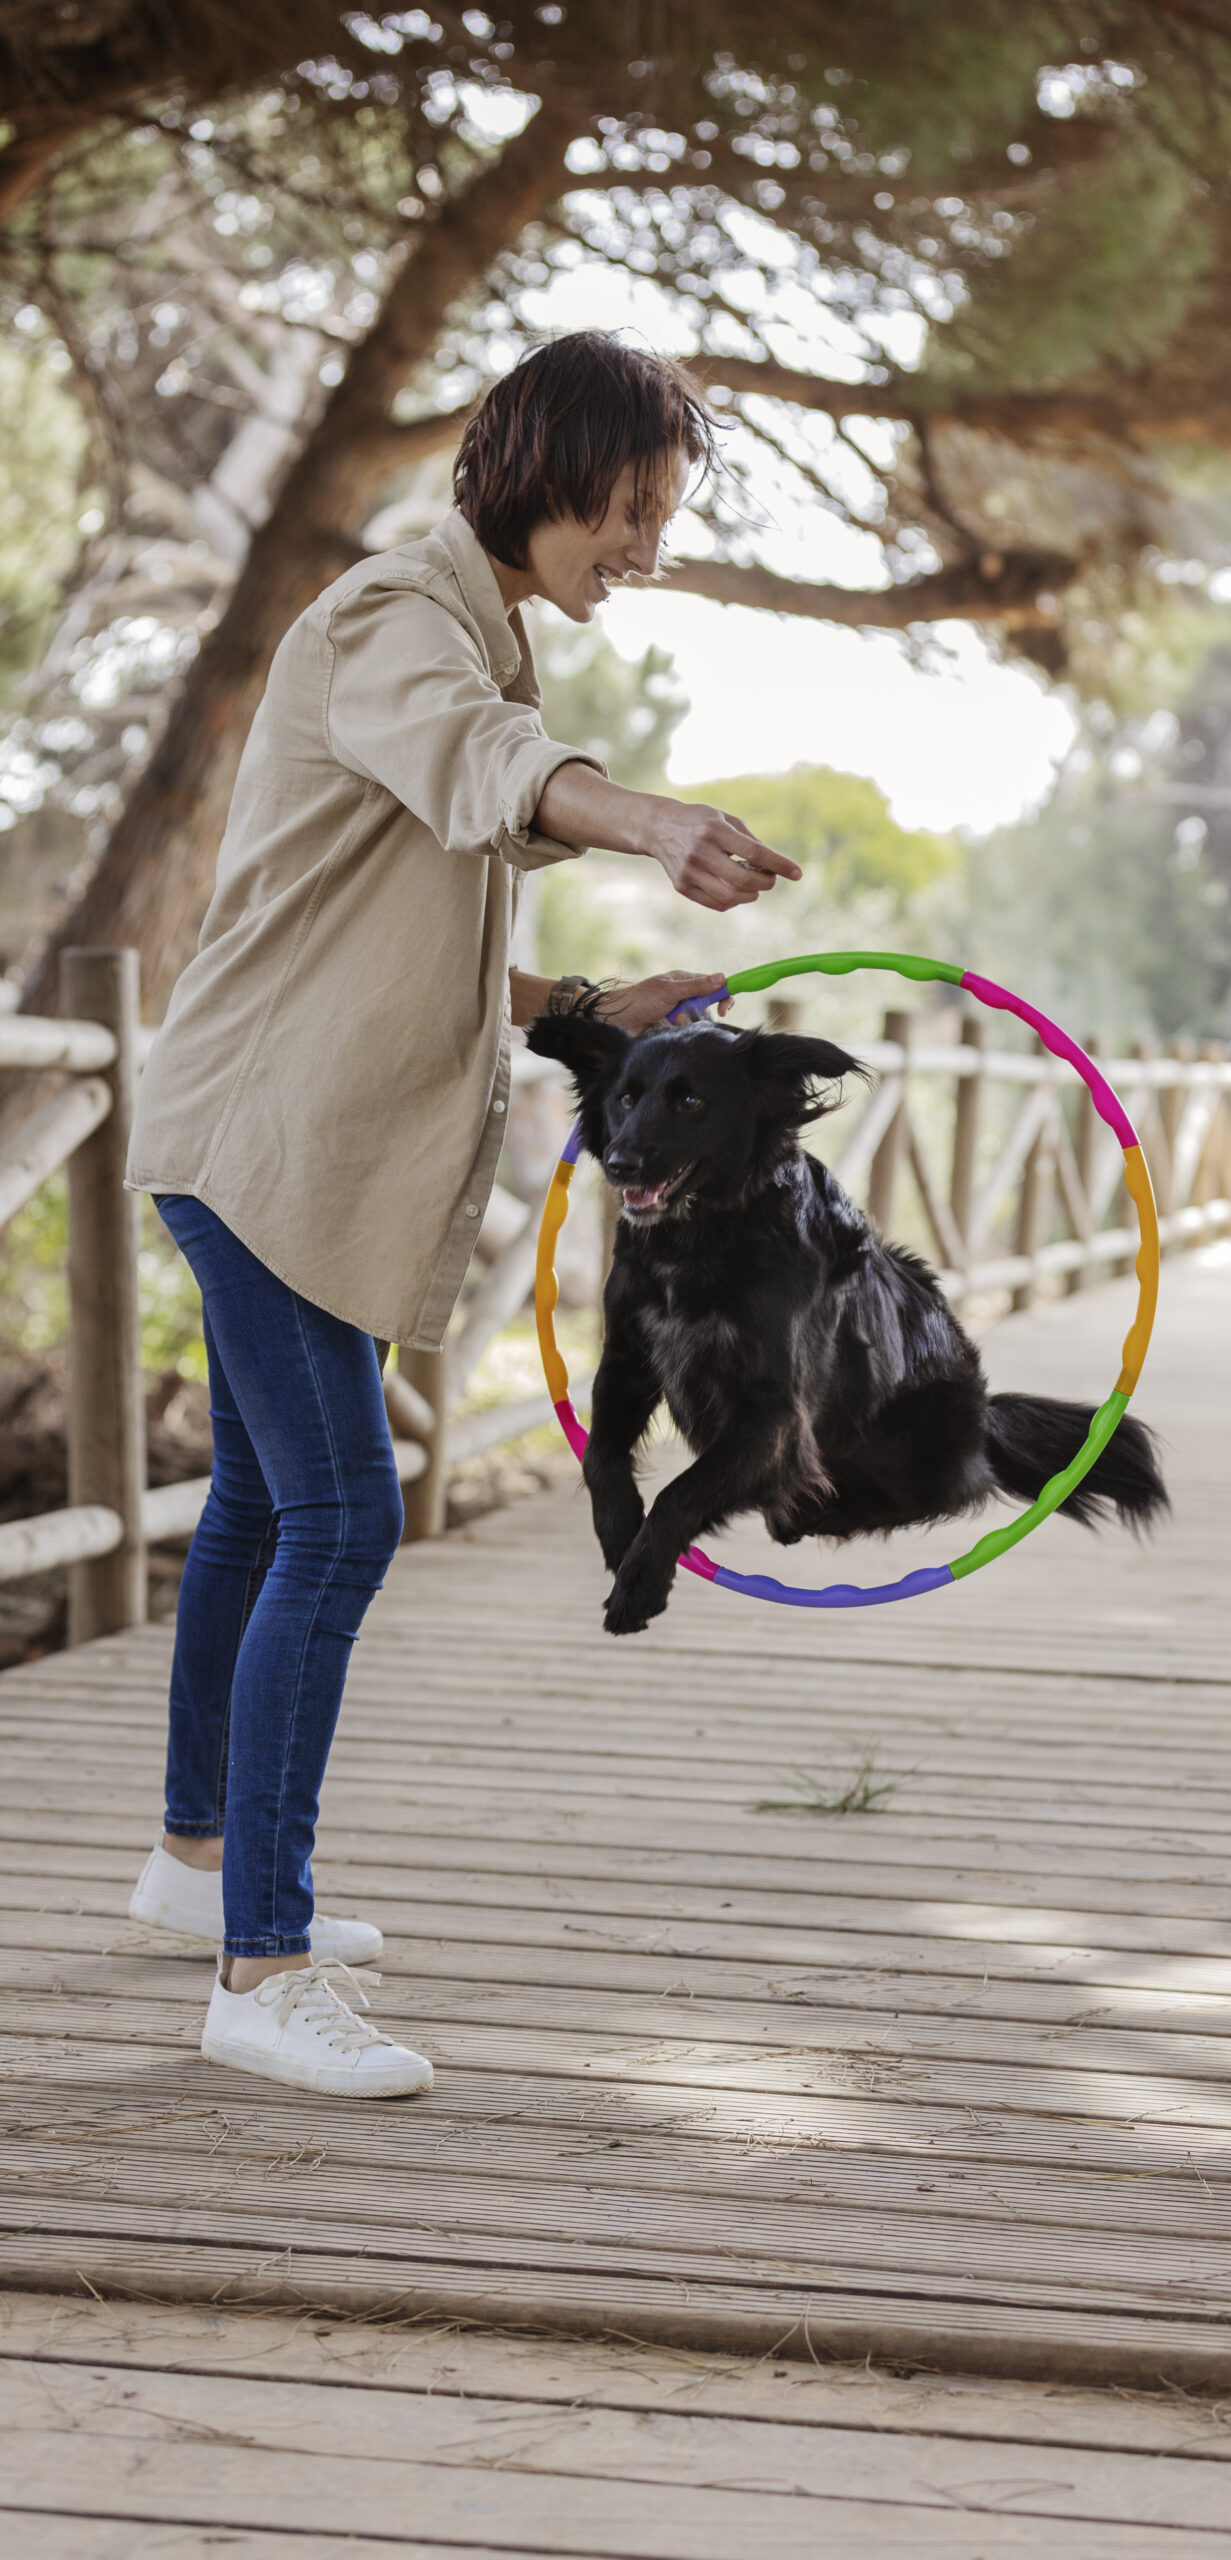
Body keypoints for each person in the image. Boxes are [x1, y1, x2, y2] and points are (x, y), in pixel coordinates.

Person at [123, 331, 800, 2099]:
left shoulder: (462, 627)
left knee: (269, 1508)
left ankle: (197, 1867)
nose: (646, 545)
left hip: (277, 1132)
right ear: (549, 469)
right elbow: (489, 758)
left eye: (663, 513)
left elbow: (399, 935)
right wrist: (654, 821)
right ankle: (261, 1967)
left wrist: (594, 1005)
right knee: (342, 1519)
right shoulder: (392, 623)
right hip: (264, 1144)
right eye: (632, 506)